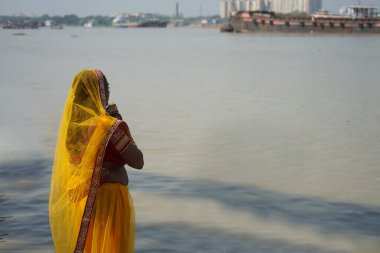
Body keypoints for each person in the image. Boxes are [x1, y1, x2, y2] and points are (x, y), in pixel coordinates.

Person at [49, 69, 144, 253]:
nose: (108, 93)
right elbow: (138, 161)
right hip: (108, 204)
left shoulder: (73, 129)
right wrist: (119, 121)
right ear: (97, 92)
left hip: (82, 203)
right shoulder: (108, 126)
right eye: (106, 87)